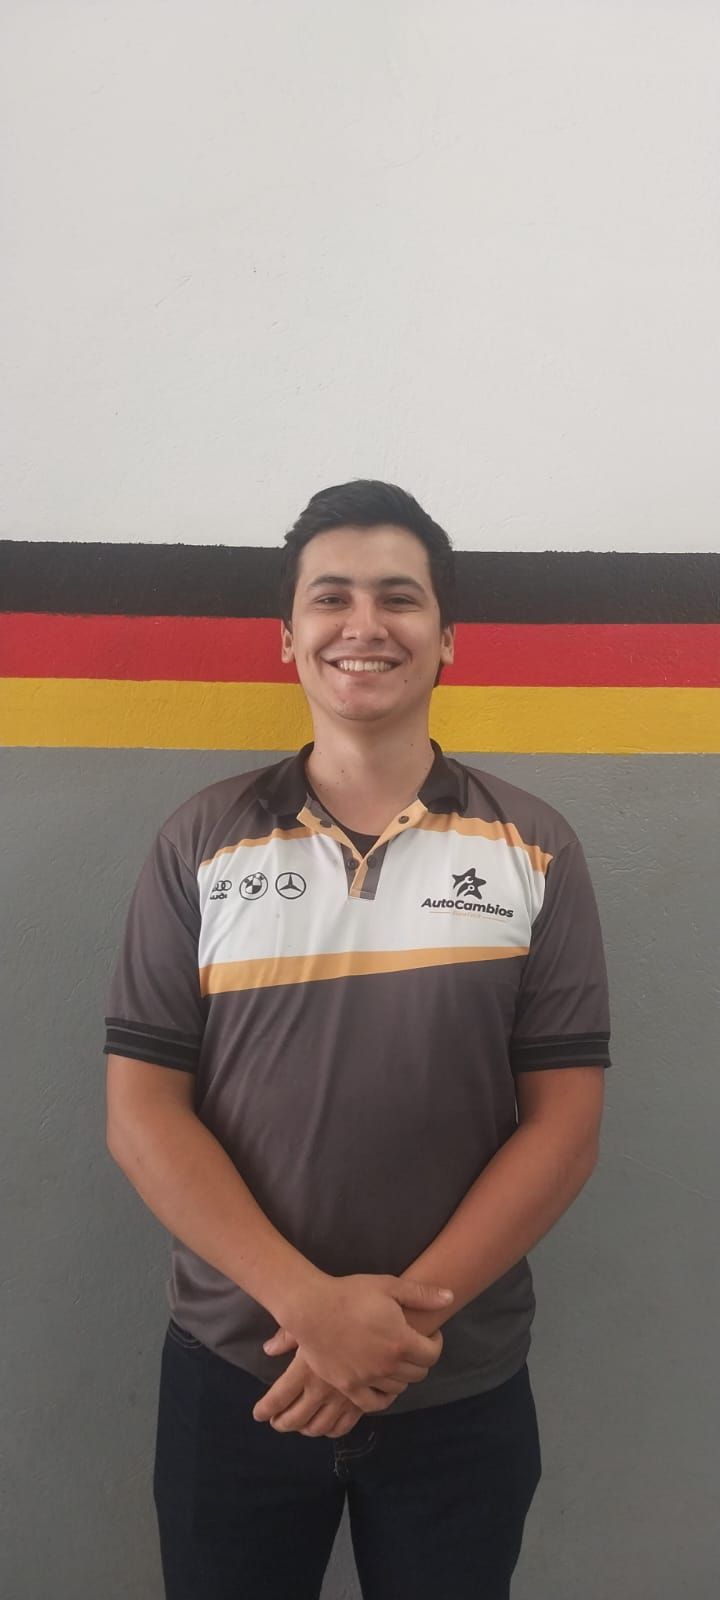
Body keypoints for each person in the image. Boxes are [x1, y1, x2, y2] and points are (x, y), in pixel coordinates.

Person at [105, 479, 611, 1600]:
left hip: (456, 1382)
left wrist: (389, 1327)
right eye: (331, 597)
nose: (365, 623)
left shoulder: (537, 847)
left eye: (401, 597)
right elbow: (141, 1113)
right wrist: (311, 1308)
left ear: (447, 640)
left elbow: (565, 1128)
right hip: (241, 1373)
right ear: (287, 640)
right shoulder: (198, 843)